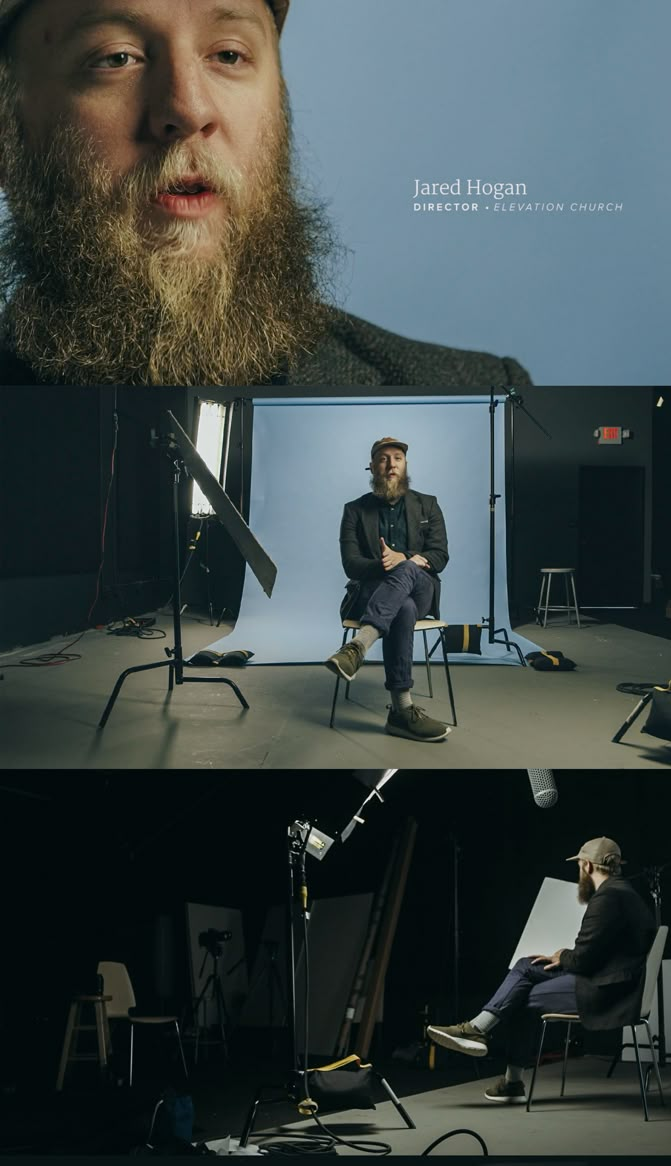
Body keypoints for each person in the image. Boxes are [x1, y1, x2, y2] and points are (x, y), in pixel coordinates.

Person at [0, 0, 530, 389]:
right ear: (8, 137)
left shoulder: (485, 408)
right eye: (116, 58)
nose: (188, 109)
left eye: (228, 55)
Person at [428, 838, 656, 1104]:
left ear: (586, 865)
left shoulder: (607, 897)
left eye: (579, 866)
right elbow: (598, 953)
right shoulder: (624, 892)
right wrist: (562, 957)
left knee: (521, 997)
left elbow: (582, 960)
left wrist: (563, 955)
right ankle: (479, 1033)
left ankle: (498, 1062)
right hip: (614, 980)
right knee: (527, 965)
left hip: (607, 992)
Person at [326, 436, 451, 743]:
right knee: (402, 608)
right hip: (375, 593)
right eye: (383, 458)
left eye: (397, 457)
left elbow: (440, 556)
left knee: (407, 572)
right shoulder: (354, 510)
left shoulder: (428, 504)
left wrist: (404, 559)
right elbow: (351, 565)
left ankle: (359, 646)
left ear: (405, 465)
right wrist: (385, 565)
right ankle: (401, 711)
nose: (391, 464)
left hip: (421, 590)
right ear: (372, 467)